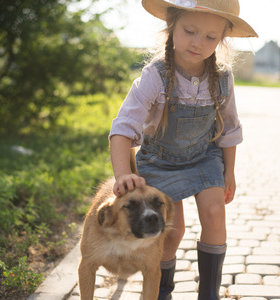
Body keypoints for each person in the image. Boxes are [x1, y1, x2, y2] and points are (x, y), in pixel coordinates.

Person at [108, 0, 257, 299]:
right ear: (172, 25)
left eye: (210, 37)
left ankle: (209, 293)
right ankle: (161, 290)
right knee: (172, 232)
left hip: (204, 157)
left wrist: (230, 172)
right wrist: (123, 174)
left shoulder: (222, 77)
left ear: (222, 40)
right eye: (190, 30)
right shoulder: (156, 76)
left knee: (215, 211)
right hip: (159, 162)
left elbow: (229, 129)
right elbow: (122, 128)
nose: (197, 43)